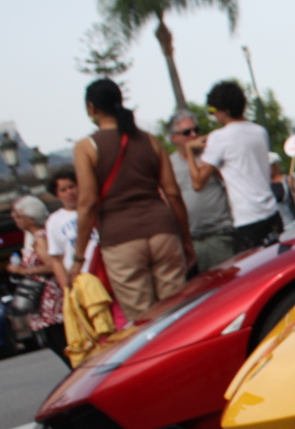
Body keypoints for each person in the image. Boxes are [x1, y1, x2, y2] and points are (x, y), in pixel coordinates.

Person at [72, 78, 194, 323]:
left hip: (121, 240)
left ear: (91, 108)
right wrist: (186, 238)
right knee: (177, 313)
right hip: (163, 232)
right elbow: (172, 194)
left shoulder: (87, 147)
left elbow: (88, 202)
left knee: (144, 320)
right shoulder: (150, 140)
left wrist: (78, 257)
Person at [180, 81, 282, 254]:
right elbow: (236, 172)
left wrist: (190, 150)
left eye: (212, 111)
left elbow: (198, 183)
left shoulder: (219, 137)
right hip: (272, 213)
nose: (213, 116)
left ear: (224, 110)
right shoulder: (259, 131)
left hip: (248, 219)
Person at [168, 109, 235, 271]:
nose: (193, 135)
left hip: (220, 233)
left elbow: (230, 181)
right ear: (174, 138)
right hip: (192, 240)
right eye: (187, 132)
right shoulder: (169, 165)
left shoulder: (210, 156)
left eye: (196, 130)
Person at [7, 195, 67, 364]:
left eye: (19, 216)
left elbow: (52, 265)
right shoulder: (33, 238)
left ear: (31, 217)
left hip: (50, 300)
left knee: (59, 341)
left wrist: (23, 271)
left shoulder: (40, 237)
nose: (16, 220)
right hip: (43, 302)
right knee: (54, 341)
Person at [44, 167, 98, 290]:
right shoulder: (54, 221)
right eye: (63, 190)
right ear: (57, 195)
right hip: (83, 278)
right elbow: (56, 258)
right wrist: (67, 288)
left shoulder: (96, 207)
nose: (70, 192)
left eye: (72, 186)